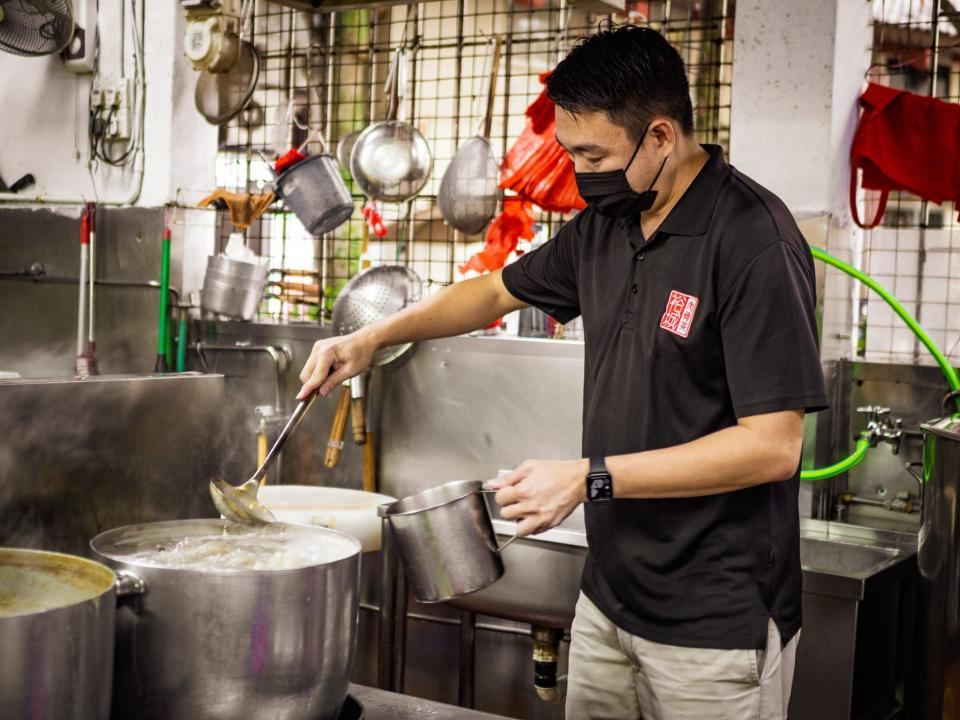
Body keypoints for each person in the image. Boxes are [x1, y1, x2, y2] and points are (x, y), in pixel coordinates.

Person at [298, 25, 827, 720]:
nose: (580, 174)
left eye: (593, 154)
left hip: (713, 627)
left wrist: (589, 477)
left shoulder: (752, 237)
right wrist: (372, 337)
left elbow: (772, 446)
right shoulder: (608, 223)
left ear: (662, 137)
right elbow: (491, 292)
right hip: (608, 601)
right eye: (570, 152)